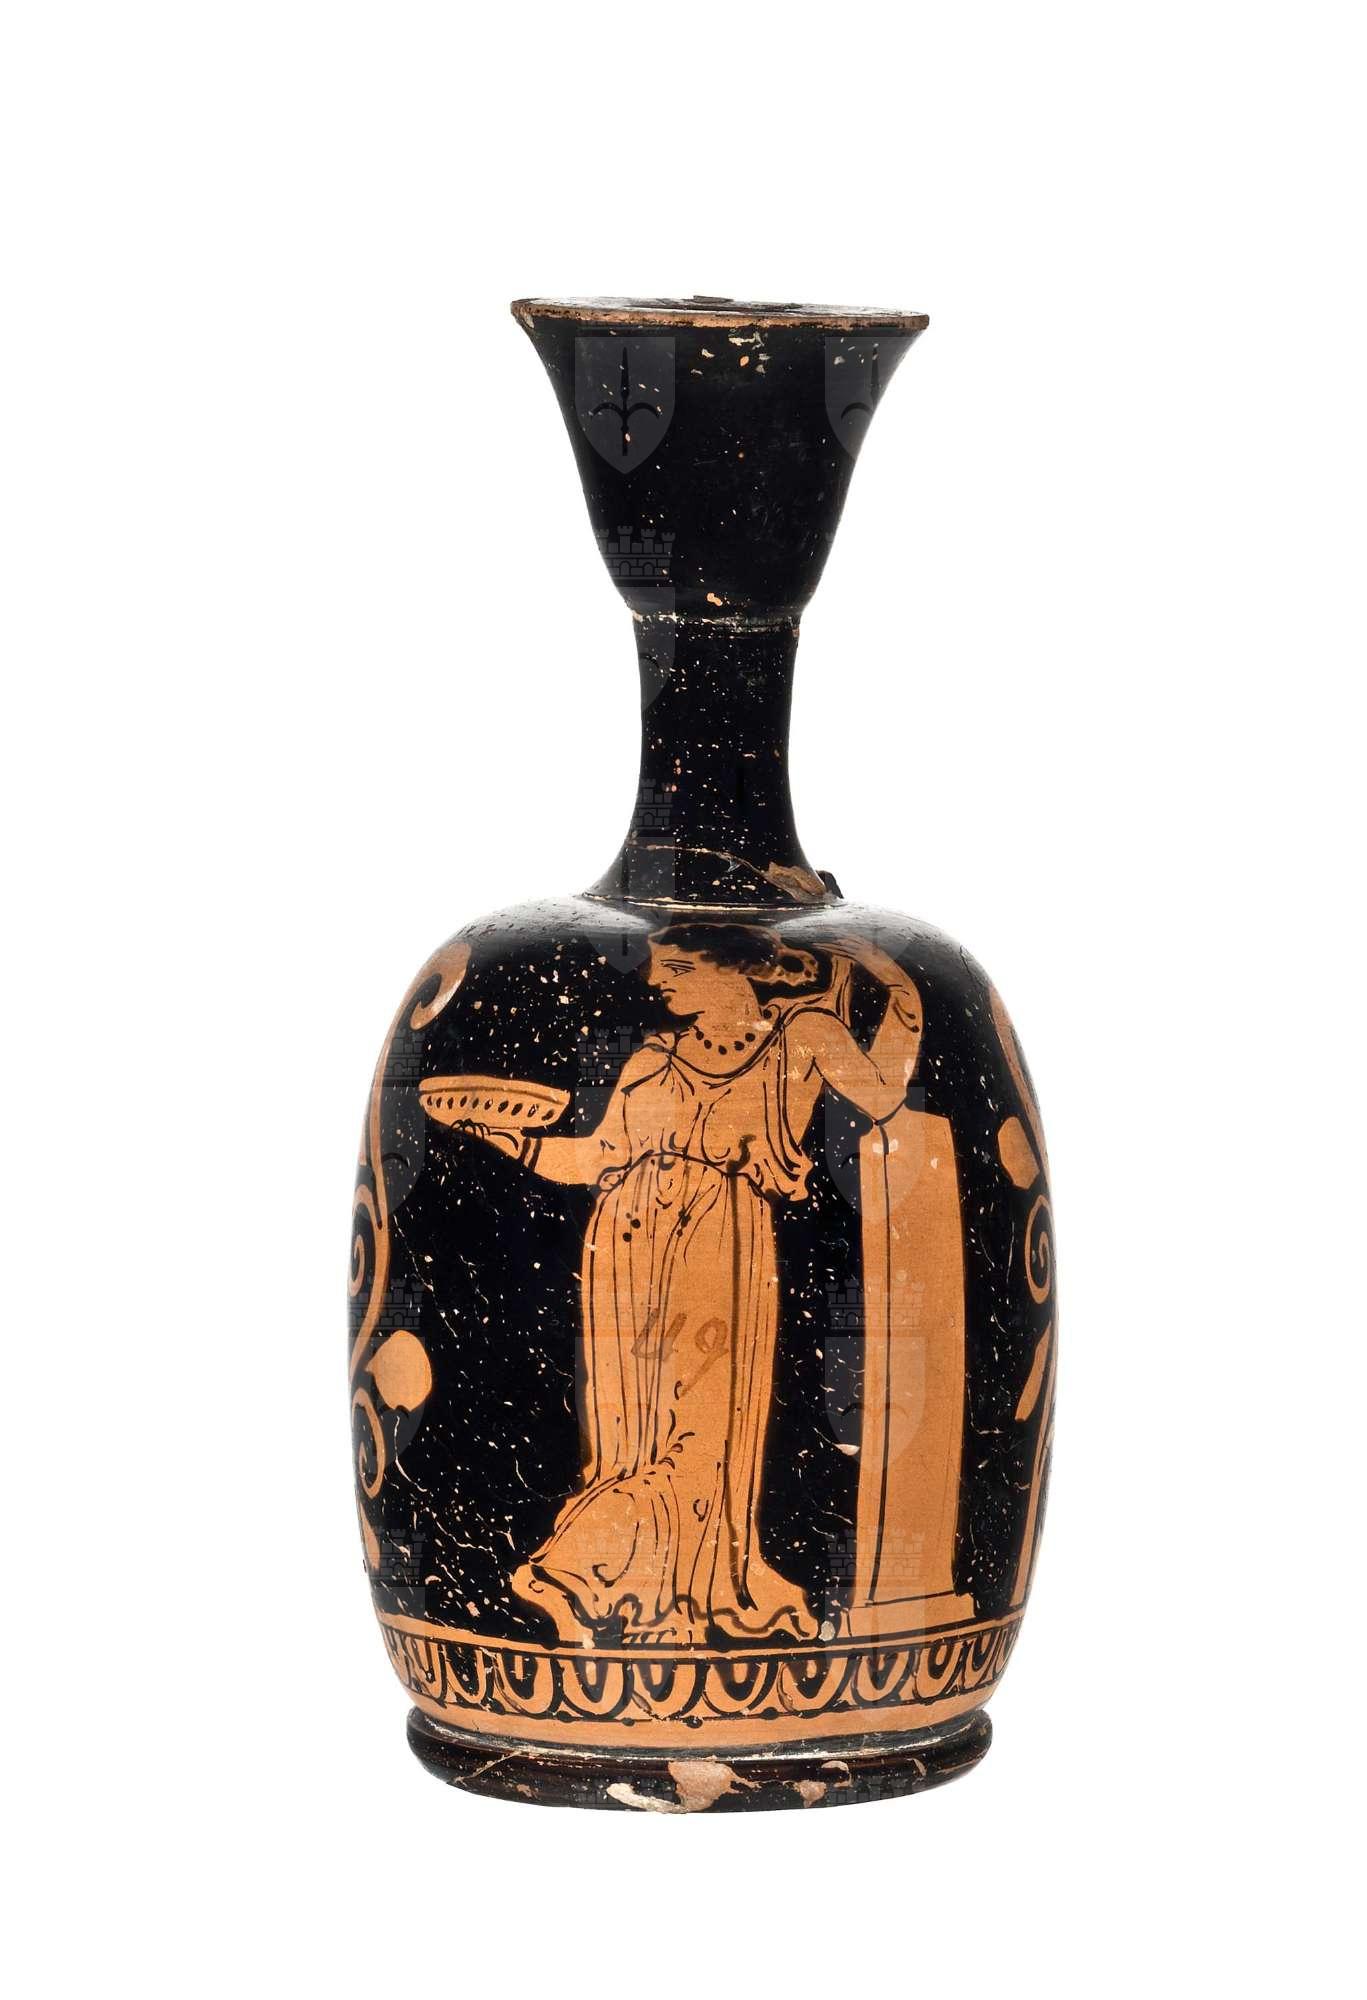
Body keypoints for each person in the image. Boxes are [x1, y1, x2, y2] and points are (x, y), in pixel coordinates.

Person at [456, 922, 924, 1646]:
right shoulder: (653, 1057)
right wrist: (510, 1141)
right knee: (636, 1439)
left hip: (720, 1247)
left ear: (731, 968)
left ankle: (665, 1587)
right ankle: (591, 1581)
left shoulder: (803, 1035)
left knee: (703, 1432)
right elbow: (597, 1157)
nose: (653, 984)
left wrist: (898, 990)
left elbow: (884, 1093)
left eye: (673, 969)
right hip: (628, 1251)